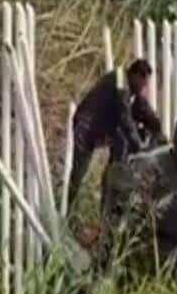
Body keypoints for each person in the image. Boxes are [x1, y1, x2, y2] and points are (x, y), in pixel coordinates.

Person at [66, 58, 164, 215]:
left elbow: (141, 106)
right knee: (78, 174)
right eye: (143, 82)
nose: (143, 87)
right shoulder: (121, 82)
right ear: (136, 75)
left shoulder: (127, 83)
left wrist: (157, 127)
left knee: (120, 148)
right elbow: (125, 117)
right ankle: (67, 214)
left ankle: (109, 204)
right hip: (86, 127)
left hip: (100, 128)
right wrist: (140, 147)